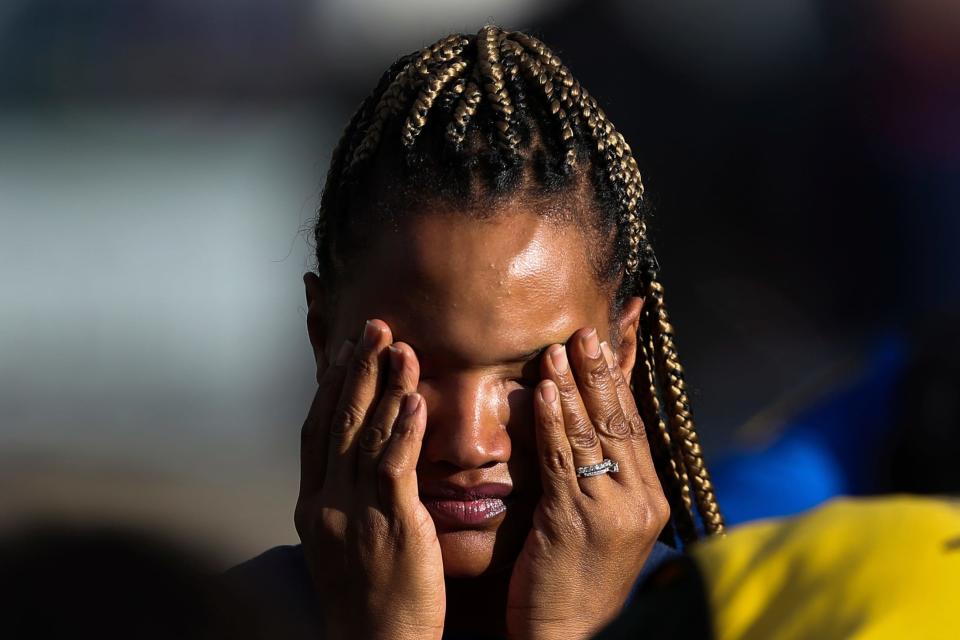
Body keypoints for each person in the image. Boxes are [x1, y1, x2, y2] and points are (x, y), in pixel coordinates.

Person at [230, 25, 724, 640]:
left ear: (621, 351)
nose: (469, 444)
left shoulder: (745, 620)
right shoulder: (204, 618)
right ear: (323, 337)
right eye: (417, 368)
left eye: (527, 371)